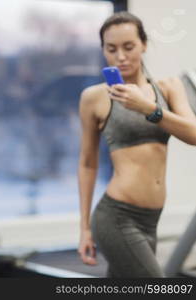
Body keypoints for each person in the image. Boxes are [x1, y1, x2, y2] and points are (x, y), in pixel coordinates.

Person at [77, 11, 196, 277]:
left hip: (151, 219)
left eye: (128, 47)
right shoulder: (94, 98)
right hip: (116, 217)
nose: (120, 57)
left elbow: (194, 135)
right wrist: (84, 228)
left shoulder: (168, 88)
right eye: (112, 49)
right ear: (103, 51)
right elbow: (87, 164)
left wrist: (148, 108)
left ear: (143, 44)